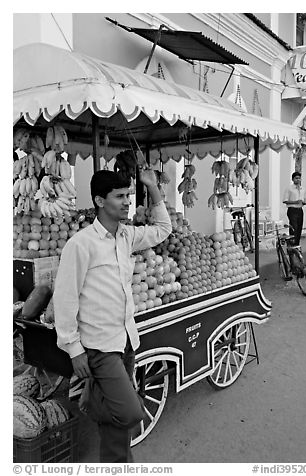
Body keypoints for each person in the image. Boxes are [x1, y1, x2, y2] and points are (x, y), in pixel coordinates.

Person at [53, 167, 172, 463]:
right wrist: (73, 349)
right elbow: (64, 299)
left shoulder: (127, 236)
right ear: (99, 200)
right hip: (100, 345)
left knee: (117, 420)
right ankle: (92, 399)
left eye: (128, 195)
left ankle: (117, 464)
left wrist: (152, 187)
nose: (126, 202)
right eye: (119, 196)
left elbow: (163, 228)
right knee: (130, 412)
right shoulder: (80, 245)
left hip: (126, 340)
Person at [283, 171, 306, 246]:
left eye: (299, 178)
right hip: (292, 210)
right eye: (296, 178)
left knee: (299, 228)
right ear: (293, 179)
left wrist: (303, 202)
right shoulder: (289, 189)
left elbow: (305, 199)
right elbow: (285, 201)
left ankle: (297, 245)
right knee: (294, 228)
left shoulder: (303, 189)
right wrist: (295, 202)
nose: (298, 180)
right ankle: (291, 245)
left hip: (300, 210)